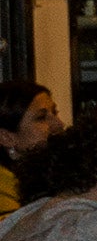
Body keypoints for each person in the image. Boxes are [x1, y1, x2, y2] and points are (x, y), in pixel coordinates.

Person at [0, 81, 61, 214]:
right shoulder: (4, 192)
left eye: (55, 113)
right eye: (41, 117)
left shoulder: (53, 174)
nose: (58, 124)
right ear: (6, 137)